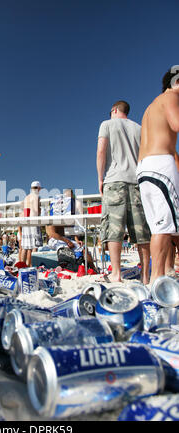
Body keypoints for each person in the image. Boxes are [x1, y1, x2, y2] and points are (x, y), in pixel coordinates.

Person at [97, 100, 151, 284]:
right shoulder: (139, 128)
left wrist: (100, 178)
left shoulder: (107, 124)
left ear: (114, 110)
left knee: (114, 229)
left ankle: (116, 273)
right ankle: (145, 276)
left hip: (114, 180)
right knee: (141, 232)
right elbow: (145, 155)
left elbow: (101, 151)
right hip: (136, 181)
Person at [137, 68, 179, 284]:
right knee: (166, 227)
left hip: (145, 167)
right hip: (161, 164)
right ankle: (157, 280)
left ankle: (158, 279)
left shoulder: (151, 106)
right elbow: (176, 124)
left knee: (159, 227)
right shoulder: (171, 97)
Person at [21, 181, 43, 266]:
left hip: (26, 222)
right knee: (34, 246)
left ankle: (22, 265)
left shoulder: (26, 197)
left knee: (25, 247)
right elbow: (36, 211)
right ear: (38, 188)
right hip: (33, 222)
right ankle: (32, 266)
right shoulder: (36, 196)